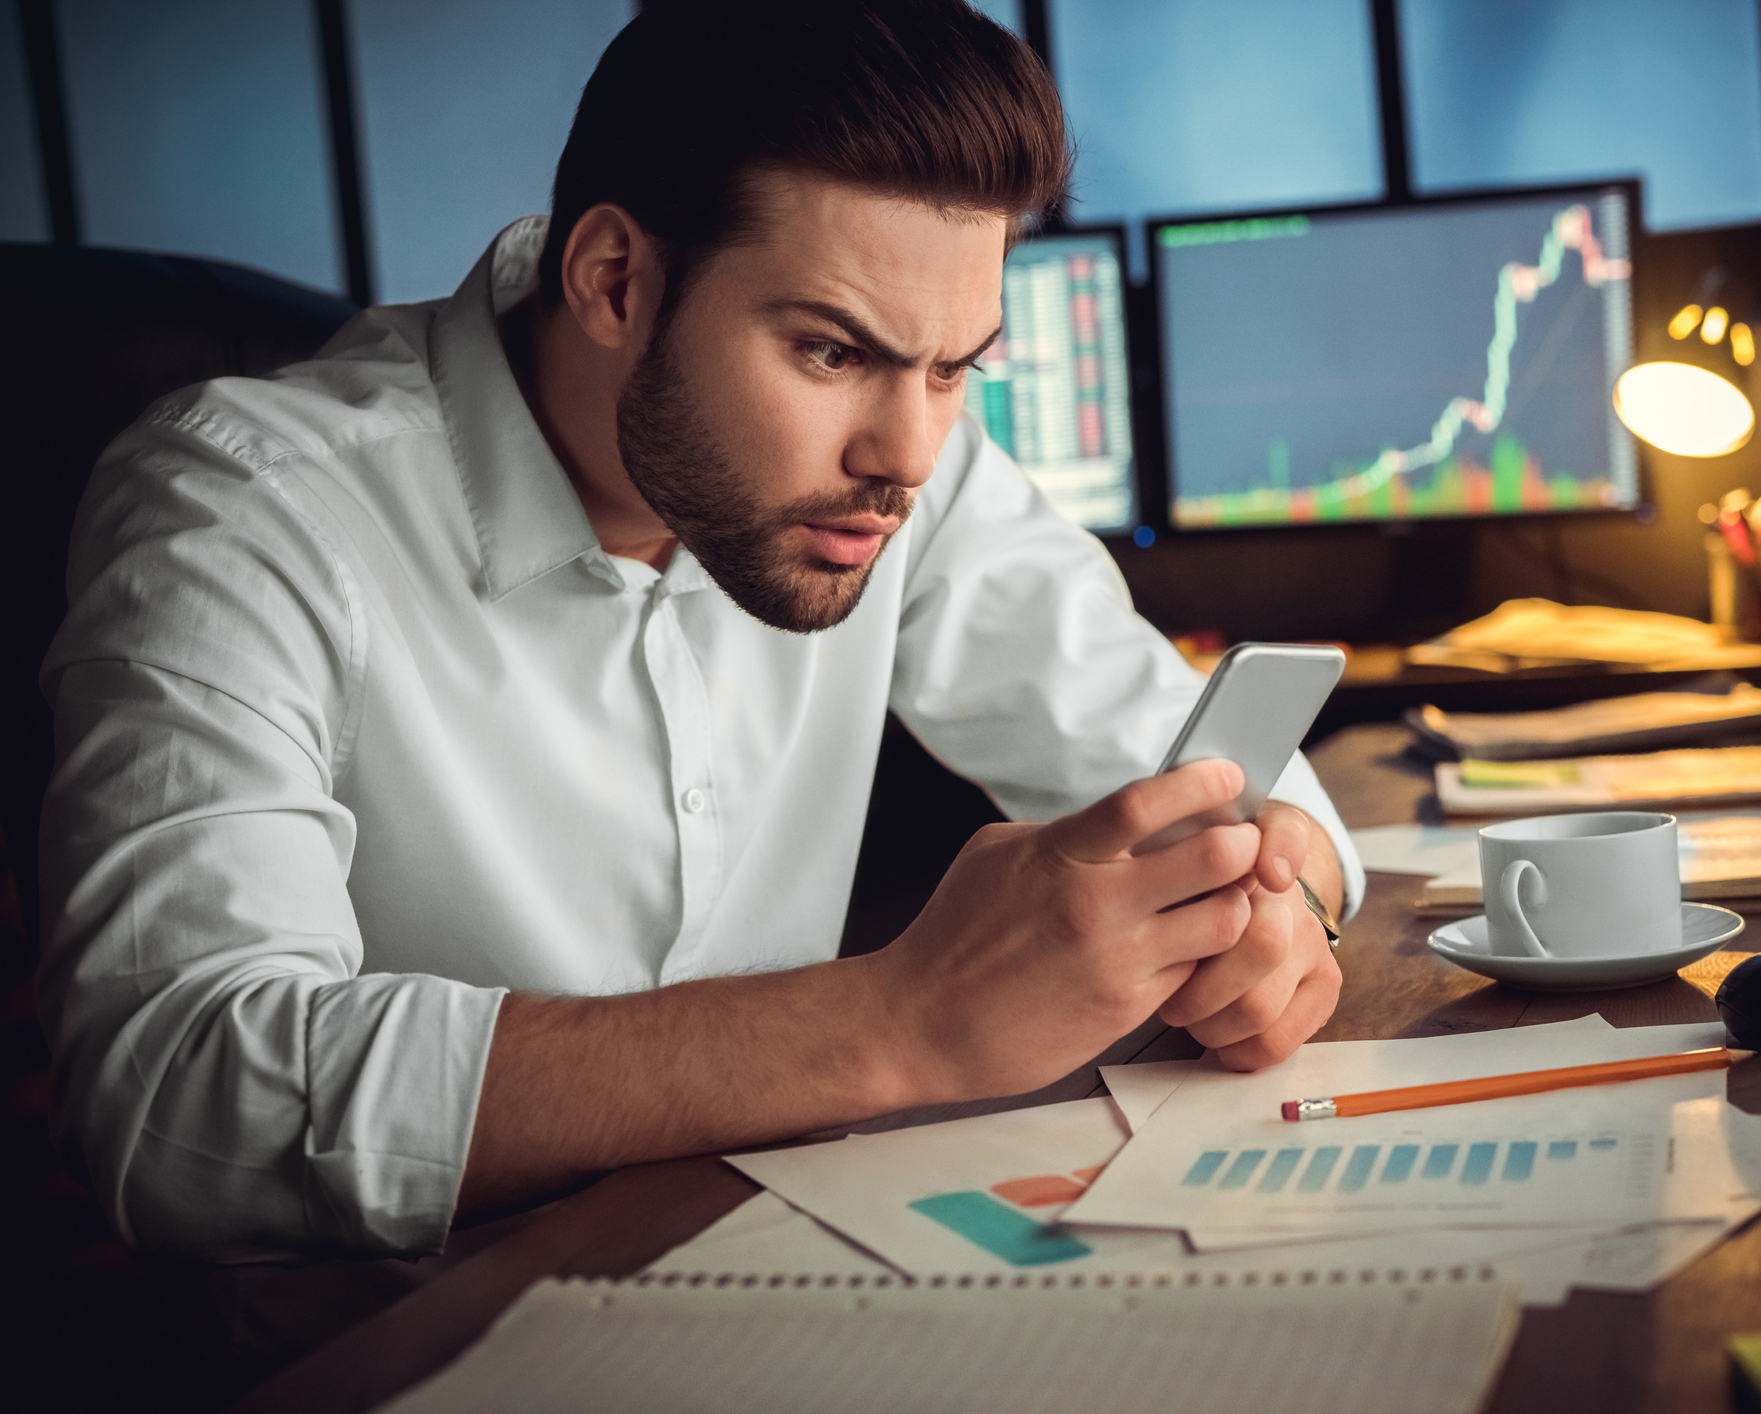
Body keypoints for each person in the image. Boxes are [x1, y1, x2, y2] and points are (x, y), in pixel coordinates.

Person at [38, 0, 1360, 1265]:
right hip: (399, 1333)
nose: (907, 451)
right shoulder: (242, 507)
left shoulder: (900, 477)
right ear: (614, 280)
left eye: (955, 366)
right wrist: (900, 1021)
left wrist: (1273, 900)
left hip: (789, 1264)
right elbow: (181, 1101)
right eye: (833, 352)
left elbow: (1222, 778)